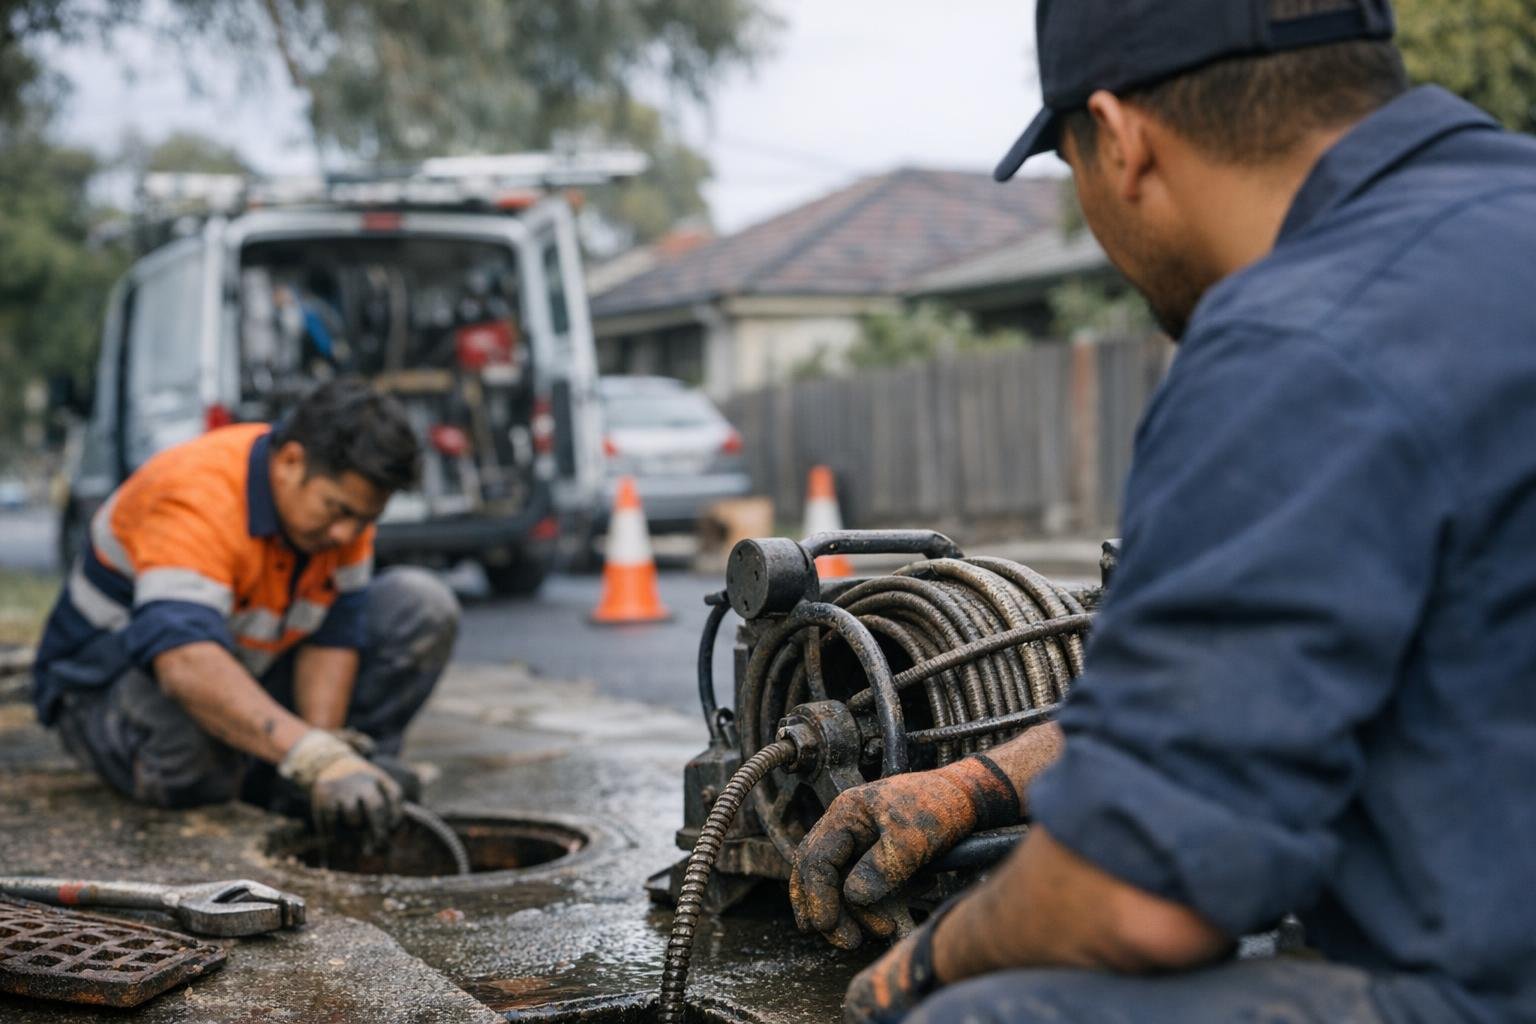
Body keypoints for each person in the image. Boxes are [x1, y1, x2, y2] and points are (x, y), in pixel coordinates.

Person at [790, 1, 1536, 1021]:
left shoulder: (1293, 341)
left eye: (1072, 161)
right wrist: (980, 783)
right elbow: (1233, 701)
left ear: (1125, 138)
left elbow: (1142, 895)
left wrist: (930, 962)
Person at [32, 379, 459, 843]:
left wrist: (329, 756)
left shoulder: (340, 519)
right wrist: (309, 754)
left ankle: (302, 778)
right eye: (338, 510)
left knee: (422, 606)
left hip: (235, 667)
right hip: (104, 685)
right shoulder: (197, 493)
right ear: (292, 461)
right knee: (194, 756)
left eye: (364, 519)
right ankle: (252, 771)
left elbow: (333, 637)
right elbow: (185, 663)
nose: (347, 533)